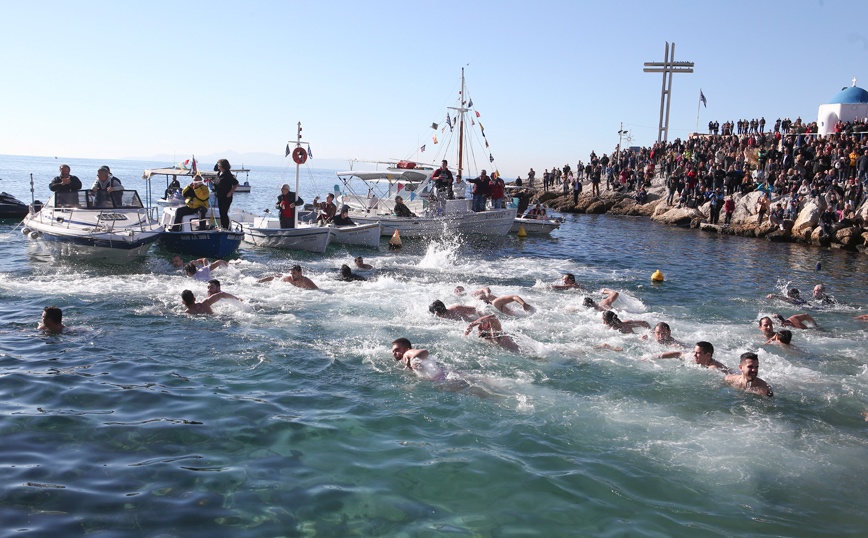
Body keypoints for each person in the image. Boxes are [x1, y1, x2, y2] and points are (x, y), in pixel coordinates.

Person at [655, 341, 732, 372]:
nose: (694, 355)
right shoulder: (694, 357)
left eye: (698, 353)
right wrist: (656, 357)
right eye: (694, 352)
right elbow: (677, 354)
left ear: (708, 355)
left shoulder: (713, 368)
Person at [212, 159, 239, 229]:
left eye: (219, 165)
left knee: (224, 213)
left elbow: (236, 183)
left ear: (222, 166)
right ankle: (222, 226)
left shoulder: (228, 174)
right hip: (219, 195)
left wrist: (230, 192)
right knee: (221, 212)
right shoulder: (219, 173)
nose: (218, 166)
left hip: (226, 197)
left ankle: (225, 228)